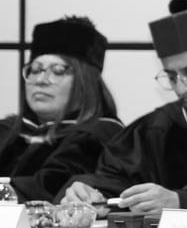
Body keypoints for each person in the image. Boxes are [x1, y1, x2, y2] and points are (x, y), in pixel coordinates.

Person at [60, 0, 187, 215]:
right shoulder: (155, 130)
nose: (181, 88)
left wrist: (184, 201)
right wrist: (93, 194)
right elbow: (115, 182)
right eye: (172, 77)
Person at [0, 16, 122, 202]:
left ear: (85, 82)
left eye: (57, 71)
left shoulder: (99, 138)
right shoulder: (7, 131)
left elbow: (51, 188)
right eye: (35, 70)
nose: (41, 80)